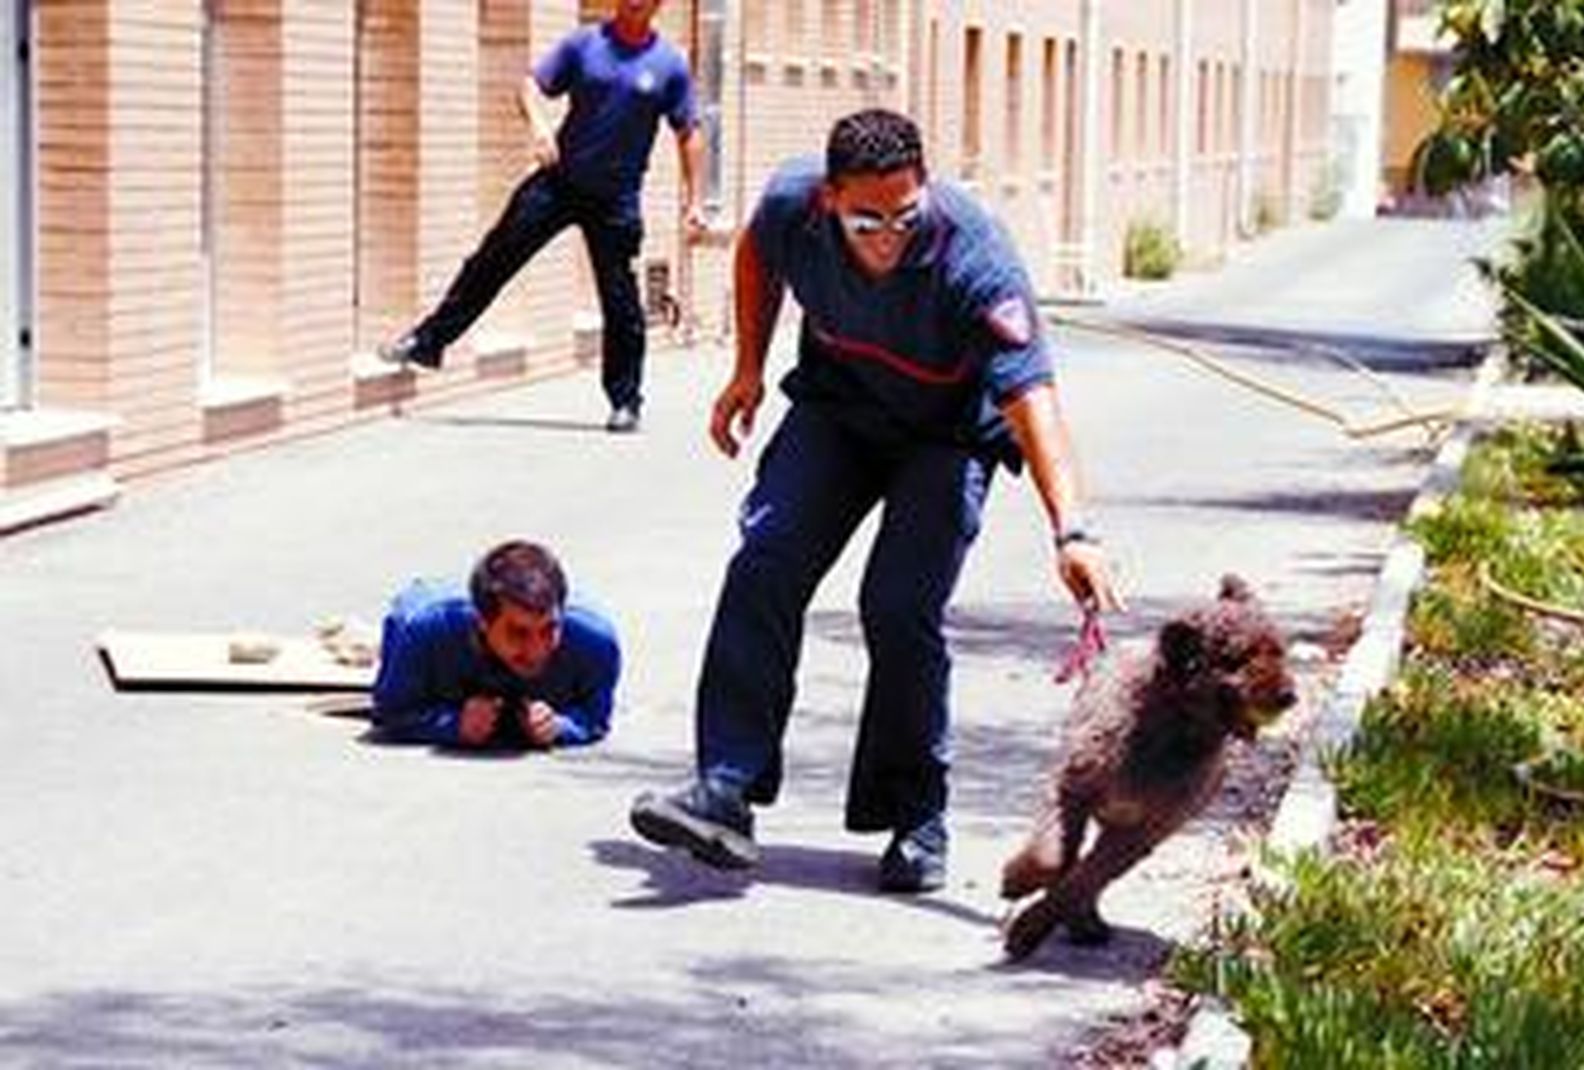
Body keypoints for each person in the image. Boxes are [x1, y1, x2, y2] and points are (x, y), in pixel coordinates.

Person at [629, 108, 1120, 894]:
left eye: (904, 213)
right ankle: (724, 786)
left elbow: (1033, 397)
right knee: (766, 558)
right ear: (830, 200)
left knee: (898, 606)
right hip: (840, 410)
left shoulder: (975, 256)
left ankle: (915, 819)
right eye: (867, 219)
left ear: (924, 191)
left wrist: (1074, 531)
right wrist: (747, 368)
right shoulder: (794, 204)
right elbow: (758, 253)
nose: (888, 234)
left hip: (946, 436)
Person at [379, 0, 706, 433]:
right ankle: (428, 341)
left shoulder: (669, 65)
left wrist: (695, 200)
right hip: (558, 182)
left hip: (616, 199)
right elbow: (531, 85)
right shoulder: (583, 45)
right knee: (493, 258)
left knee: (621, 301)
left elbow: (690, 132)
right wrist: (538, 125)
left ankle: (625, 402)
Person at [371, 540, 620, 750]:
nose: (536, 651)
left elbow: (595, 718)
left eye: (549, 630)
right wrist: (452, 725)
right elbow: (391, 713)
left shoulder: (595, 643)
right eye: (518, 633)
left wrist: (559, 726)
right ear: (482, 623)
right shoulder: (424, 631)